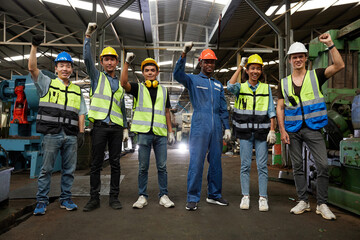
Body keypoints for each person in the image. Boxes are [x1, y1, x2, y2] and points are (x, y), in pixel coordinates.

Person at [276, 33, 344, 220]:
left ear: (306, 58)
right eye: (294, 57)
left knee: (322, 165)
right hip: (292, 129)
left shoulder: (317, 75)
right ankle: (303, 201)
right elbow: (280, 107)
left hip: (313, 128)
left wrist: (330, 44)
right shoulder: (283, 83)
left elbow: (339, 65)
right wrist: (282, 130)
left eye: (300, 56)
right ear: (289, 60)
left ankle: (322, 204)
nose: (297, 59)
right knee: (297, 166)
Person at [28, 35, 87, 215]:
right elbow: (32, 68)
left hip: (70, 134)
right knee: (46, 170)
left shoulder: (77, 90)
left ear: (71, 68)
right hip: (52, 134)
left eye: (68, 65)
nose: (65, 68)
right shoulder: (47, 82)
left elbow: (82, 112)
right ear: (56, 68)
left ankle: (66, 199)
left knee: (69, 170)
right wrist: (34, 47)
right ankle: (41, 201)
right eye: (61, 65)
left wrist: (81, 132)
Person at [173, 42, 231, 211]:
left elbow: (222, 108)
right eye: (206, 61)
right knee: (196, 162)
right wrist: (183, 54)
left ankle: (214, 195)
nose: (209, 64)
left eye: (212, 62)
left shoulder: (218, 85)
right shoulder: (192, 79)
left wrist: (226, 127)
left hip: (216, 126)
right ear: (200, 63)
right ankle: (192, 197)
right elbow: (177, 74)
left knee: (215, 163)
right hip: (199, 123)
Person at [83, 23, 128, 212]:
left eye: (112, 60)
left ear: (116, 63)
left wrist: (126, 127)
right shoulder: (96, 77)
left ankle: (114, 197)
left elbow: (123, 107)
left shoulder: (120, 84)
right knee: (96, 164)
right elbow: (86, 59)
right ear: (101, 62)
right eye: (106, 60)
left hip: (116, 128)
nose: (109, 63)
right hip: (100, 126)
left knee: (116, 164)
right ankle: (94, 198)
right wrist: (87, 37)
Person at [121, 54, 176, 209]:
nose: (150, 72)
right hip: (144, 133)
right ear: (143, 73)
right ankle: (142, 196)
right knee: (143, 167)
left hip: (160, 134)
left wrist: (170, 132)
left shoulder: (164, 91)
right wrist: (126, 63)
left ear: (157, 72)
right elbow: (123, 83)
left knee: (162, 167)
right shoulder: (138, 88)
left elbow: (166, 112)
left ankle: (163, 195)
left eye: (153, 70)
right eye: (147, 70)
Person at [227, 54, 276, 212]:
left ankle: (263, 198)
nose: (255, 71)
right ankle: (245, 196)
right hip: (245, 132)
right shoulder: (240, 87)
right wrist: (239, 66)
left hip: (262, 132)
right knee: (245, 166)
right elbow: (229, 86)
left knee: (262, 166)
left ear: (261, 71)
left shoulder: (266, 88)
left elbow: (271, 110)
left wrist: (273, 130)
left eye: (258, 68)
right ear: (247, 70)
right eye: (252, 68)